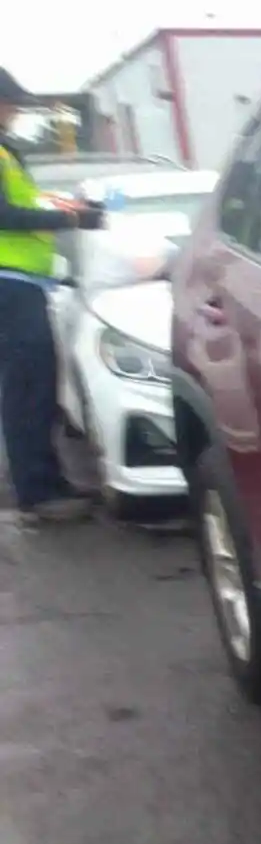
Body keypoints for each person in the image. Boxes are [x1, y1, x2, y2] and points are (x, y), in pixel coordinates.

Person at [0, 67, 104, 523]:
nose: (18, 110)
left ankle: (47, 479)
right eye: (12, 102)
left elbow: (21, 206)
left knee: (38, 384)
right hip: (10, 283)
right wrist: (70, 221)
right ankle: (37, 491)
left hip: (23, 282)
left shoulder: (7, 152)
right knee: (27, 387)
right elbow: (5, 216)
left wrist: (63, 209)